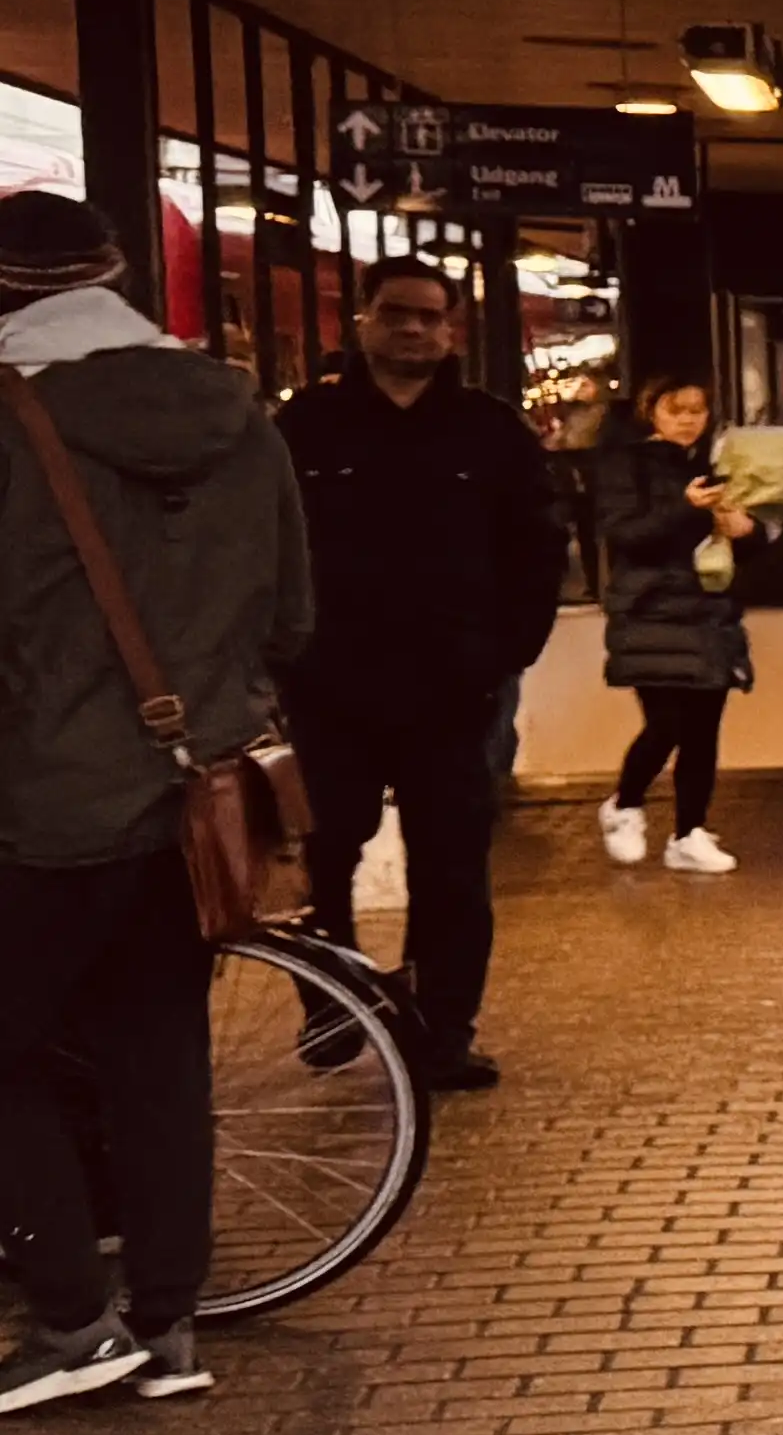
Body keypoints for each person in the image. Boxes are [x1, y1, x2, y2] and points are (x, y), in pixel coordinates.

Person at [0, 189, 314, 1410]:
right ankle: (167, 1326)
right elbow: (293, 617)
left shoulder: (12, 418)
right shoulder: (241, 416)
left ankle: (72, 1317)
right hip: (201, 794)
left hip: (48, 801)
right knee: (158, 1054)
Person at [278, 261, 566, 1089]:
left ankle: (444, 1032)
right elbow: (265, 541)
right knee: (324, 856)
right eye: (394, 313)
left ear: (452, 332)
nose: (411, 329)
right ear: (359, 322)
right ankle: (331, 1004)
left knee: (452, 868)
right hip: (331, 686)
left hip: (451, 691)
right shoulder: (309, 426)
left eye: (428, 317)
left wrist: (509, 651)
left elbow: (538, 547)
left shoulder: (490, 432)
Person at [591, 379, 754, 871]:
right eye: (675, 409)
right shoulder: (627, 464)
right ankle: (625, 804)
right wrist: (686, 509)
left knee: (704, 730)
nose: (687, 419)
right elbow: (626, 535)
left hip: (709, 613)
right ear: (650, 412)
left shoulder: (720, 465)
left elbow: (752, 541)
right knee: (667, 724)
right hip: (652, 614)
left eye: (698, 409)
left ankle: (690, 833)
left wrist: (748, 530)